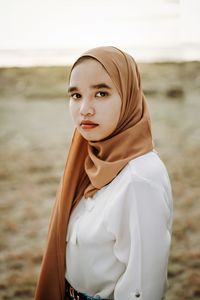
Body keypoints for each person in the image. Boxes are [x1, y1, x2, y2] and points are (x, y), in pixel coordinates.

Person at [35, 46, 173, 300]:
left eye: (101, 93)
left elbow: (143, 291)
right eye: (76, 95)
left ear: (129, 96)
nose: (85, 109)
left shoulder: (140, 179)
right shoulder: (91, 163)